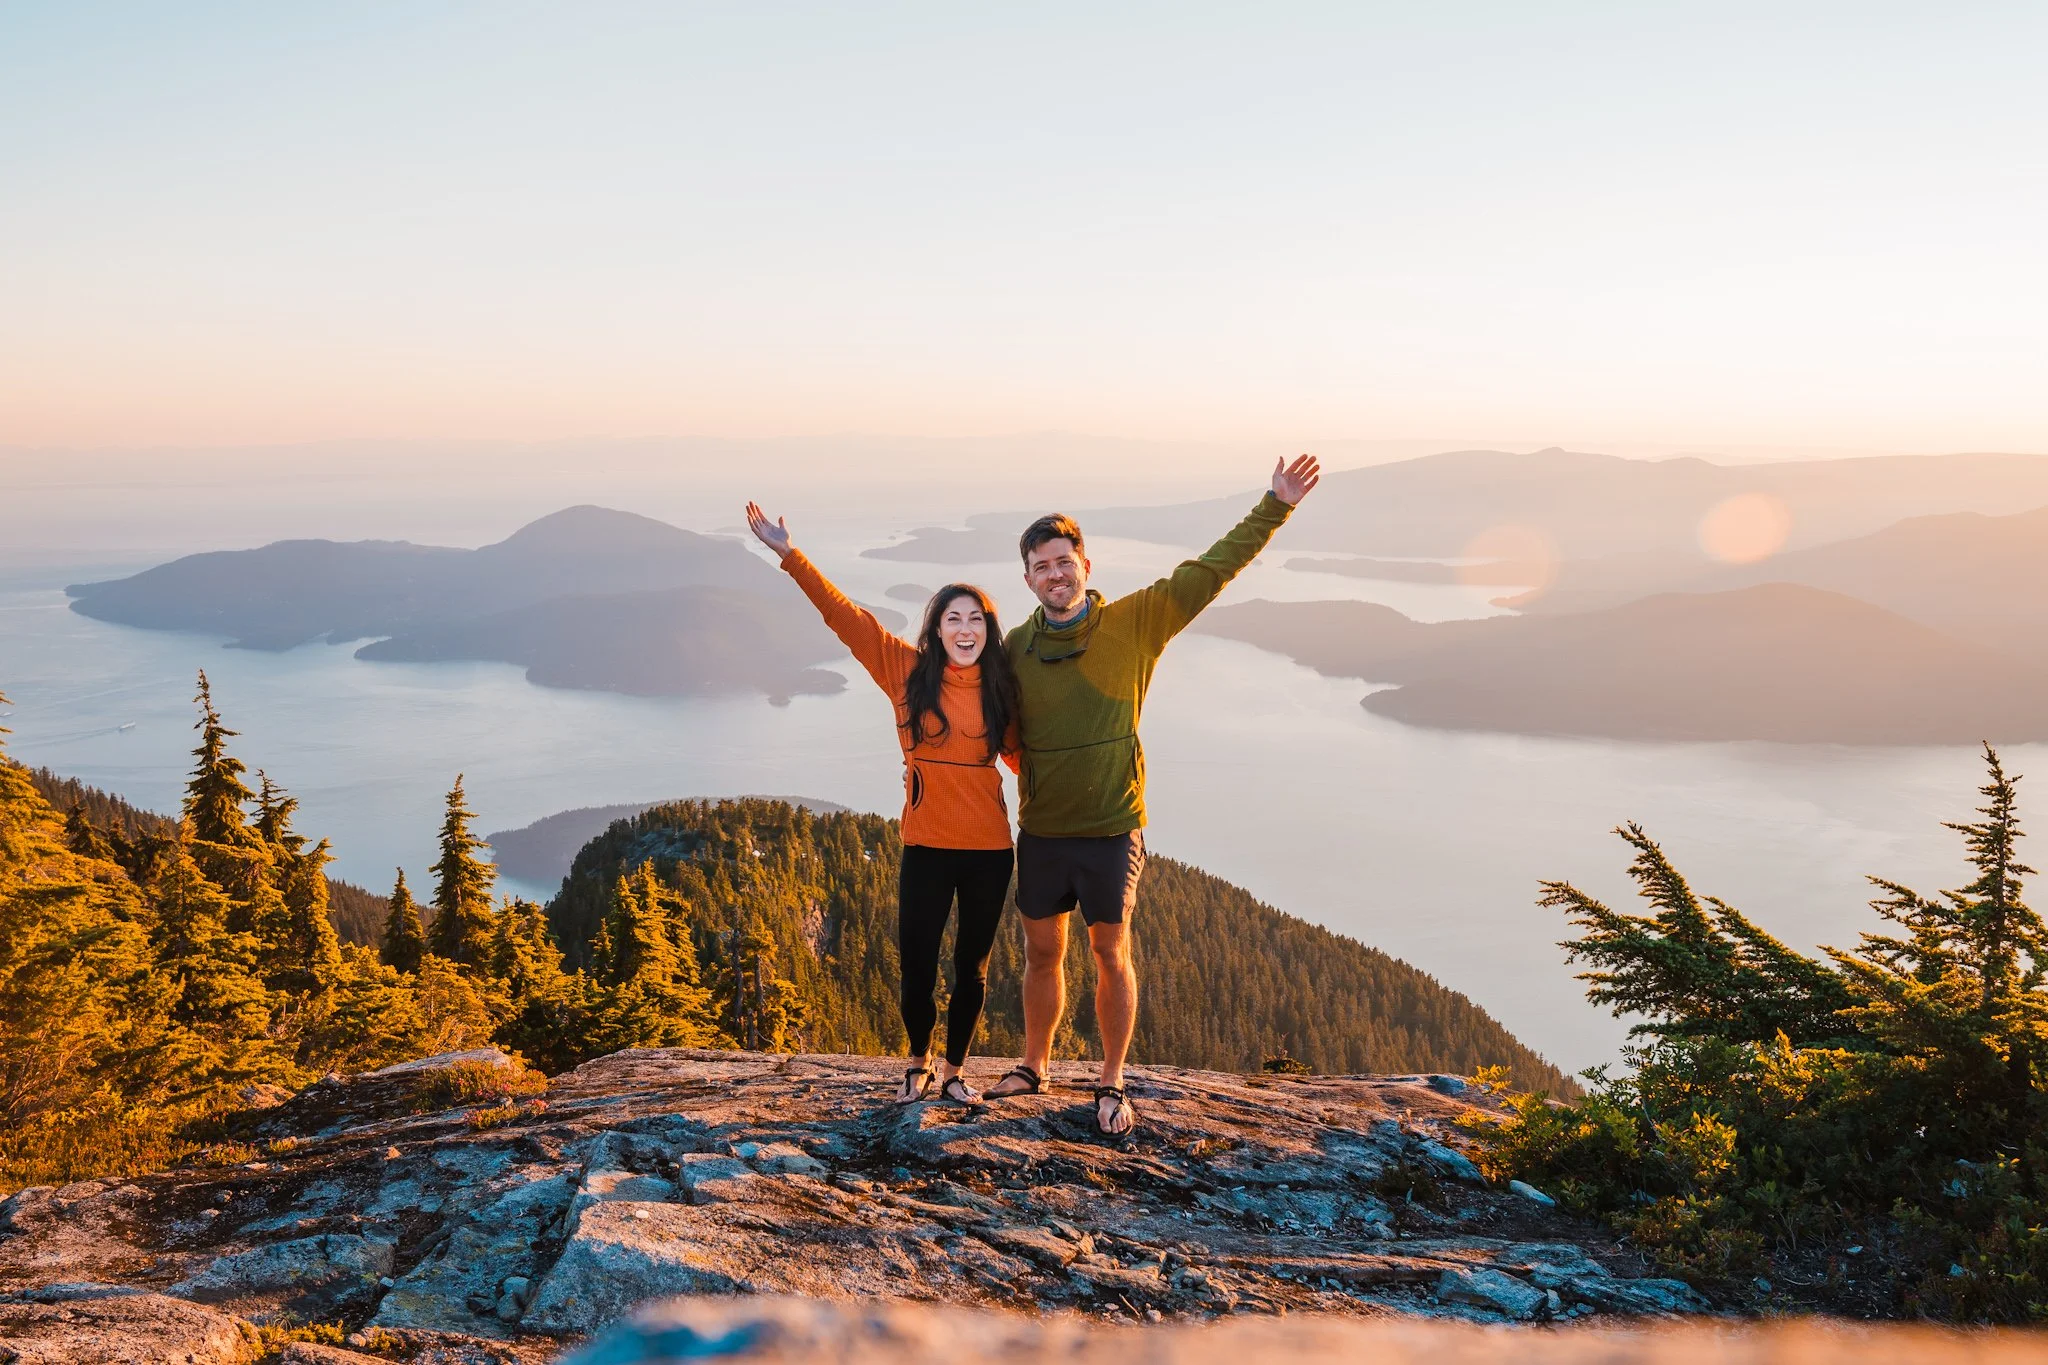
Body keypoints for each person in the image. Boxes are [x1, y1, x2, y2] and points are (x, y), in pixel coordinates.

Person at [982, 455, 1322, 1136]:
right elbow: (986, 722)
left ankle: (1110, 1081)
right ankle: (1035, 1065)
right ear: (1026, 580)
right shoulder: (1014, 647)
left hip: (1111, 826)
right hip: (1045, 828)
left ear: (1085, 564)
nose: (1054, 573)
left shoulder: (1134, 623)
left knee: (1111, 952)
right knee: (1041, 954)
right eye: (1041, 567)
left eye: (1063, 560)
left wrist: (1276, 503)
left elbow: (1211, 569)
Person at [745, 502, 1021, 1104]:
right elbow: (848, 620)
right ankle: (917, 1063)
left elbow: (1029, 760)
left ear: (988, 630)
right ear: (938, 627)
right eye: (954, 618)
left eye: (976, 619)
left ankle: (954, 1072)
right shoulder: (906, 671)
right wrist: (791, 555)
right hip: (925, 847)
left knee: (971, 969)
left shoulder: (1001, 689)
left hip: (989, 852)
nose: (966, 629)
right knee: (917, 964)